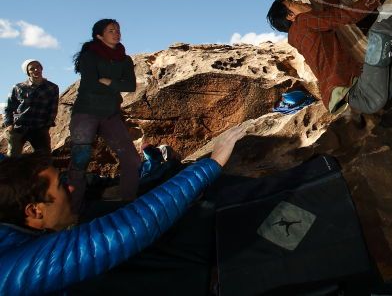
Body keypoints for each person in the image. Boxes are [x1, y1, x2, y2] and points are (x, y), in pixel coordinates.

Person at [0, 124, 247, 296]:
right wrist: (211, 164)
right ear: (34, 211)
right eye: (61, 187)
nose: (72, 190)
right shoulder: (17, 269)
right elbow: (129, 227)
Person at [68, 19, 140, 213]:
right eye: (111, 30)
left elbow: (131, 86)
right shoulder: (89, 56)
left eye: (118, 29)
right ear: (99, 35)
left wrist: (108, 81)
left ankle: (128, 206)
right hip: (86, 113)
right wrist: (115, 82)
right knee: (79, 163)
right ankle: (71, 215)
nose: (116, 33)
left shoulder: (125, 59)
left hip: (110, 114)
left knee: (132, 160)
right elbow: (90, 83)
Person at [3, 60, 59, 156]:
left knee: (44, 158)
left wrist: (46, 126)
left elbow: (53, 108)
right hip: (19, 127)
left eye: (38, 67)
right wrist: (9, 124)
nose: (36, 70)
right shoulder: (19, 87)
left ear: (42, 68)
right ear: (28, 72)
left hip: (39, 128)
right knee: (12, 158)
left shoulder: (52, 87)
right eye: (32, 69)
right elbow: (8, 107)